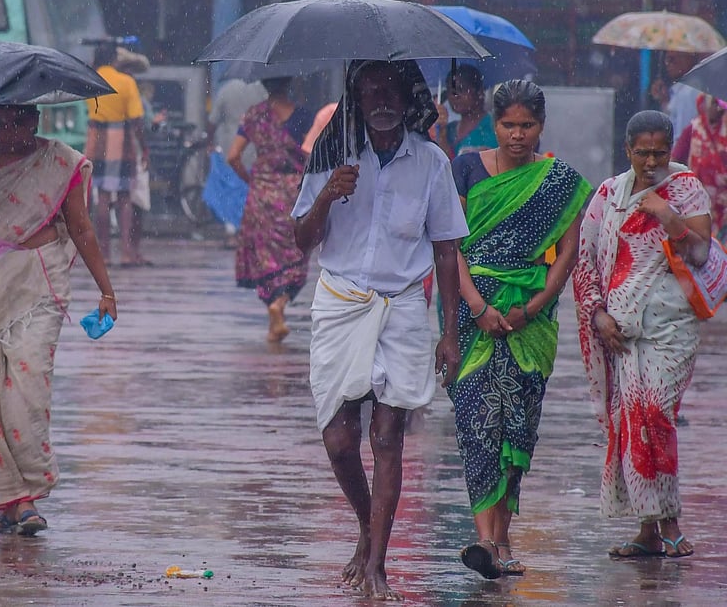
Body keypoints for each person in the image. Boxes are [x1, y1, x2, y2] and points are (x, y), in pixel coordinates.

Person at [292, 60, 467, 600]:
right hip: (341, 300)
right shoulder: (330, 154)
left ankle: (378, 566)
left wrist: (451, 332)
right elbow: (302, 240)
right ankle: (368, 528)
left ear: (408, 95)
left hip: (406, 308)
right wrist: (327, 195)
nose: (382, 100)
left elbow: (445, 249)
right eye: (371, 91)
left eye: (391, 90)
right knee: (339, 438)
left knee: (386, 437)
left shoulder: (433, 161)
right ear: (356, 98)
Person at [0, 104, 116, 536]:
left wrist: (106, 290)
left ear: (33, 120)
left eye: (15, 121)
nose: (4, 129)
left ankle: (28, 494)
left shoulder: (59, 162)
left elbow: (81, 227)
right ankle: (8, 500)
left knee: (28, 383)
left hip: (38, 282)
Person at [448, 81, 591, 579]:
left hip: (530, 321)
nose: (516, 134)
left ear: (541, 126)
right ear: (494, 122)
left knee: (515, 430)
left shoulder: (560, 182)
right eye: (508, 124)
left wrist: (531, 308)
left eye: (526, 125)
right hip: (473, 318)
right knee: (476, 425)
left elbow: (568, 255)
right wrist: (476, 303)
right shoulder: (465, 166)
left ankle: (500, 541)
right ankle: (486, 542)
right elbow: (451, 245)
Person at [574, 110, 710, 561]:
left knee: (655, 414)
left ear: (670, 148)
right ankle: (648, 529)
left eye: (659, 152)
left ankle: (669, 521)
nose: (651, 160)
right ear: (627, 150)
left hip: (671, 328)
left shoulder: (686, 187)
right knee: (632, 423)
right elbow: (587, 261)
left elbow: (702, 251)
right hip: (621, 333)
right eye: (642, 152)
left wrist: (667, 215)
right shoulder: (609, 194)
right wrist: (598, 315)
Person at [228, 76, 313, 342]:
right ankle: (281, 303)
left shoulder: (254, 116)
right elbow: (311, 152)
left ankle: (272, 312)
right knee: (296, 254)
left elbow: (233, 156)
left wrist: (251, 179)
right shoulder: (303, 115)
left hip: (262, 193)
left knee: (263, 257)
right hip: (292, 194)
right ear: (290, 84)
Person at [86, 42, 150, 267]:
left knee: (102, 196)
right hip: (121, 137)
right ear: (114, 58)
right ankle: (125, 251)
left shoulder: (90, 79)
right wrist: (144, 146)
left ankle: (104, 253)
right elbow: (137, 119)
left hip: (96, 137)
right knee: (124, 197)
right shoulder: (126, 82)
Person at [208, 76, 267, 246]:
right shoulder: (260, 90)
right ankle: (248, 231)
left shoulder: (226, 90)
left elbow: (213, 121)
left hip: (230, 147)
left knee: (230, 191)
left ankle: (232, 233)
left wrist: (209, 141)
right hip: (253, 148)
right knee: (247, 192)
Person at [672, 94, 727, 236]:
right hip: (699, 202)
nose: (718, 108)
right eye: (714, 103)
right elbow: (674, 161)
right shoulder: (693, 130)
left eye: (721, 103)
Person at [435, 65, 497, 159]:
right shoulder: (449, 129)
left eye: (460, 89)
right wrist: (442, 135)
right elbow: (445, 166)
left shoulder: (494, 127)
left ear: (479, 92)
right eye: (450, 91)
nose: (453, 96)